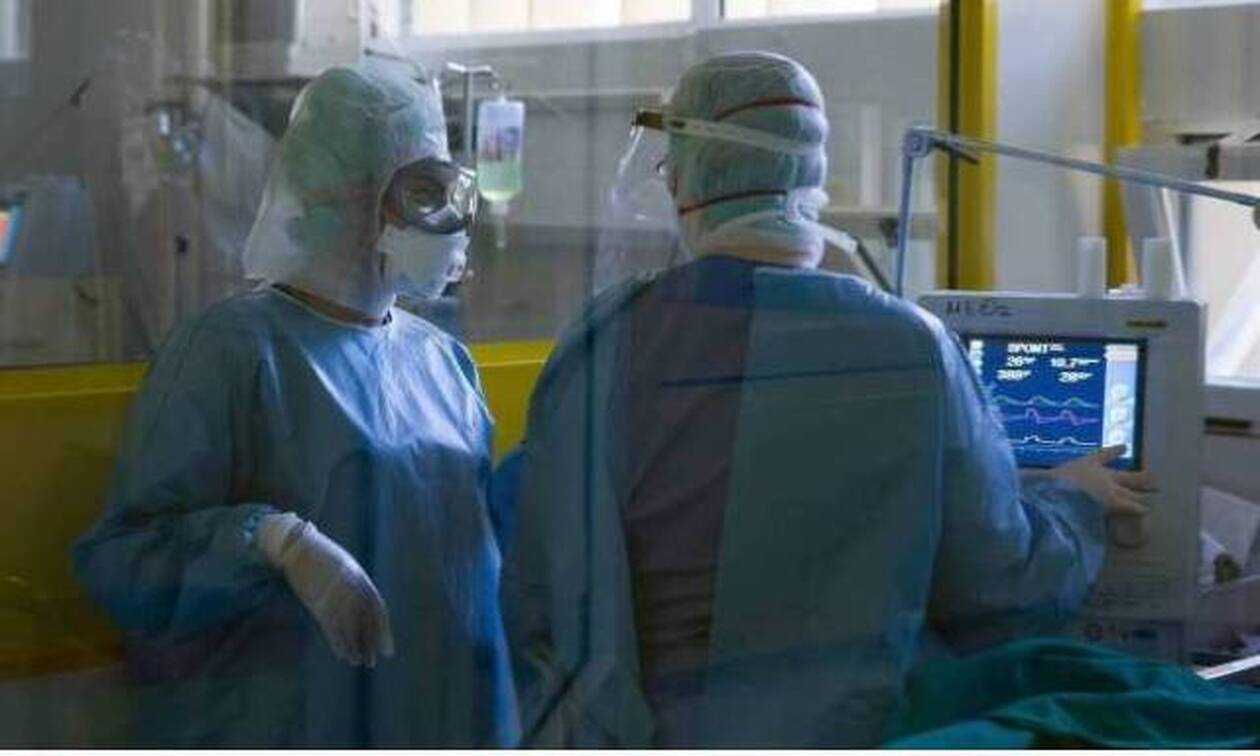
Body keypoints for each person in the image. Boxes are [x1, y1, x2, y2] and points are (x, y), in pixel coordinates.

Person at [499, 51, 1153, 748]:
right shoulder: (911, 347)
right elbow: (1000, 592)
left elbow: (540, 587)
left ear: (685, 180)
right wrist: (1076, 501)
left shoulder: (605, 343)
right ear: (808, 178)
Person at [72, 60, 517, 747]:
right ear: (341, 199)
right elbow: (125, 558)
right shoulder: (230, 352)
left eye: (445, 188)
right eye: (420, 193)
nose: (446, 220)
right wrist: (279, 543)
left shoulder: (442, 361)